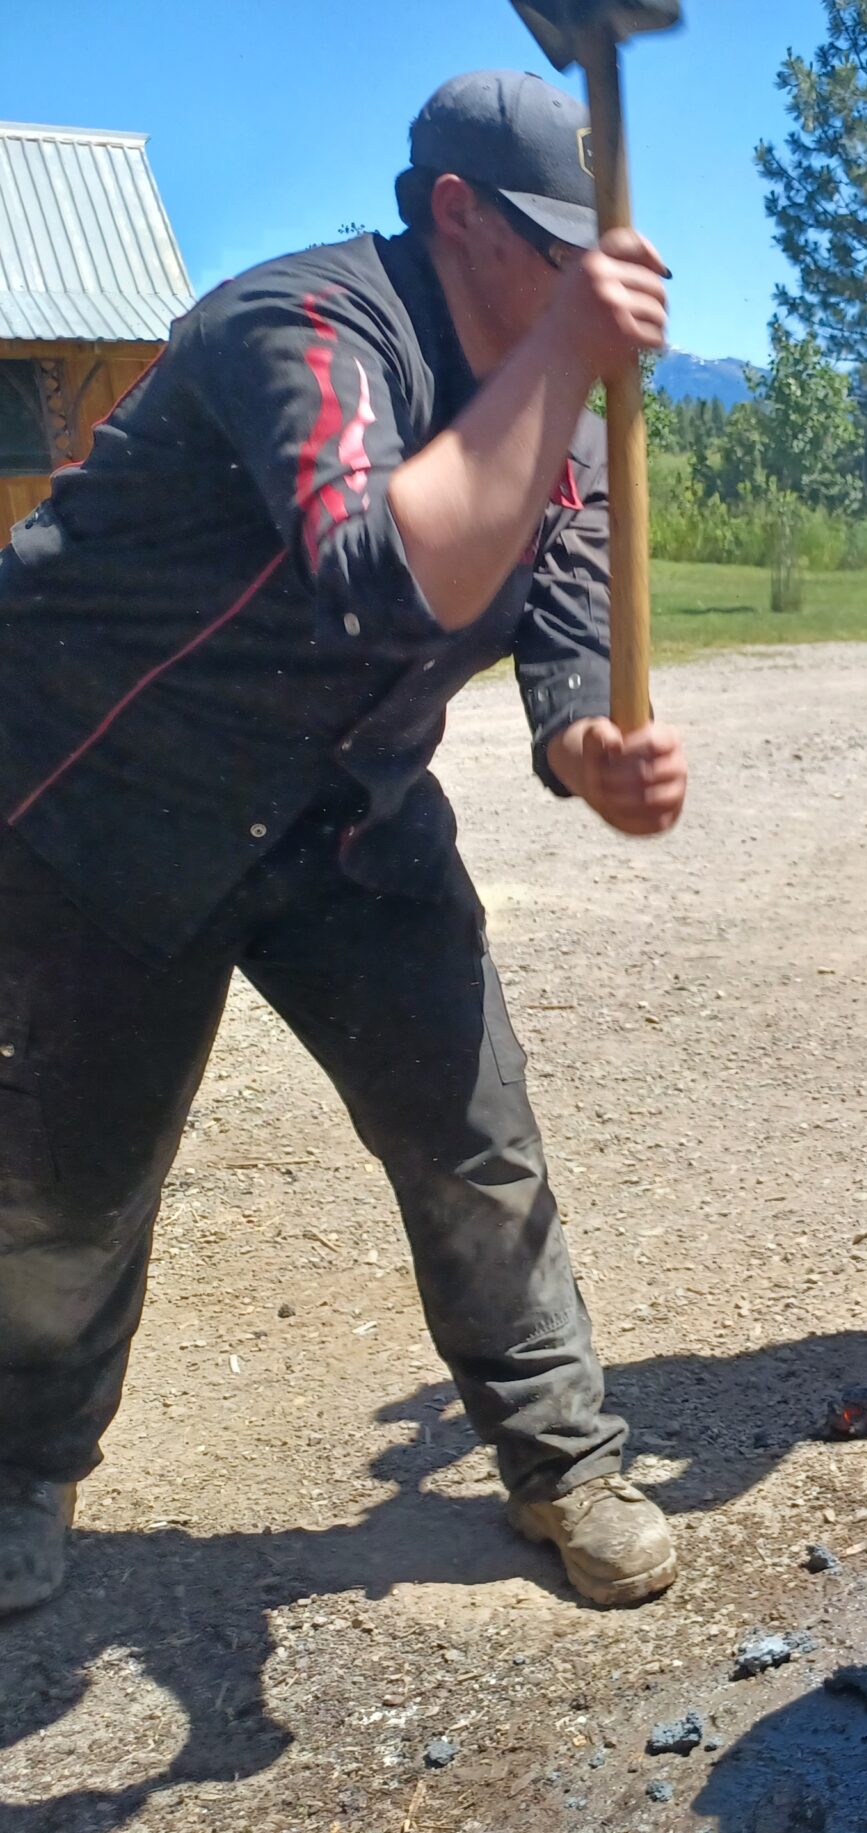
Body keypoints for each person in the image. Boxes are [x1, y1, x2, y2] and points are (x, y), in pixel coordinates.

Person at [0, 72, 688, 1614]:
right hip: (108, 800)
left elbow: (568, 648)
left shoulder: (549, 417)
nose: (584, 285)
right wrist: (576, 346)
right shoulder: (298, 325)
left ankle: (561, 1456)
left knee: (473, 1139)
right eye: (551, 249)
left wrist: (599, 757)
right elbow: (374, 569)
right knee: (66, 1180)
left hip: (347, 814)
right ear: (454, 213)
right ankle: (17, 1471)